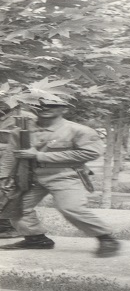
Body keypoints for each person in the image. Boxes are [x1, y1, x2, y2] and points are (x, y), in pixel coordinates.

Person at [0, 97, 120, 257]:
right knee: (16, 207)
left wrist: (40, 156)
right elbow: (10, 155)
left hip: (65, 175)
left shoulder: (78, 130)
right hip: (30, 176)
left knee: (71, 208)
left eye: (52, 105)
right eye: (39, 105)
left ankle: (106, 238)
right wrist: (3, 176)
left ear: (64, 109)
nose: (45, 108)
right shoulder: (21, 131)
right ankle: (36, 239)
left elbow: (91, 153)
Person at [0, 105, 37, 238]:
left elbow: (31, 143)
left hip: (15, 162)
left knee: (9, 192)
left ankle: (8, 227)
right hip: (4, 161)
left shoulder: (26, 118)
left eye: (3, 99)